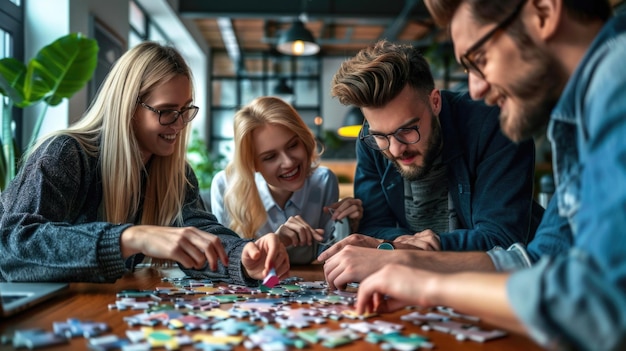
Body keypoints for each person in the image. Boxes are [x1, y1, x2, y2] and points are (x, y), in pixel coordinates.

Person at [355, 1, 626, 350]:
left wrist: (429, 284)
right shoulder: (576, 112)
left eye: (479, 59)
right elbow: (538, 260)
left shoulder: (616, 78)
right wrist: (413, 267)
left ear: (544, 11)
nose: (476, 88)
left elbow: (596, 302)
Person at [0, 42, 289, 286]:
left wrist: (243, 256)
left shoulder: (177, 174)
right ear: (128, 107)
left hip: (93, 310)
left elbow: (199, 235)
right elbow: (13, 246)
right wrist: (130, 237)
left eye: (184, 110)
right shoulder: (66, 153)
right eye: (165, 112)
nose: (178, 124)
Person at [328, 39, 543, 253]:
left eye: (406, 130)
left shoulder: (495, 125)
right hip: (418, 280)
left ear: (435, 102)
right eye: (381, 136)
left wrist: (430, 246)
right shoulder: (371, 142)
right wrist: (401, 246)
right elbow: (374, 227)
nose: (394, 150)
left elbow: (501, 239)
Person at [211, 96, 363, 264]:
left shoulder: (324, 181)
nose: (289, 162)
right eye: (270, 157)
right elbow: (223, 262)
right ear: (253, 164)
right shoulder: (224, 185)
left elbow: (328, 255)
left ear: (304, 140)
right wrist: (277, 240)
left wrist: (350, 226)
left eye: (292, 145)